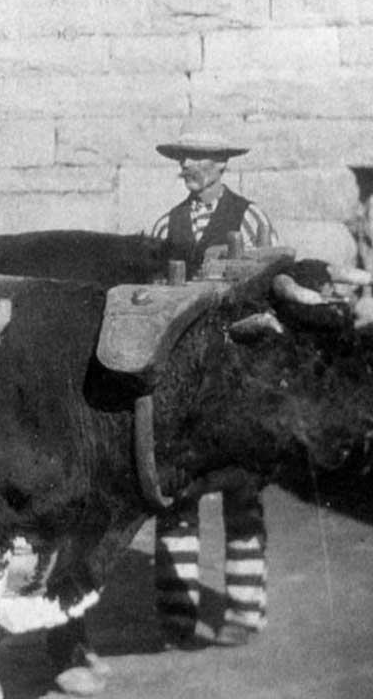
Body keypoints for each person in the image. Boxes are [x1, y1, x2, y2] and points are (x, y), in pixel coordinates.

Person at [150, 121, 278, 648]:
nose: (185, 168)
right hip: (182, 376)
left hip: (237, 372)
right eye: (181, 159)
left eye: (196, 160)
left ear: (222, 165)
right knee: (175, 489)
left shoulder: (251, 219)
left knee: (241, 486)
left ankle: (245, 611)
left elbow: (271, 285)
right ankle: (178, 618)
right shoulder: (164, 225)